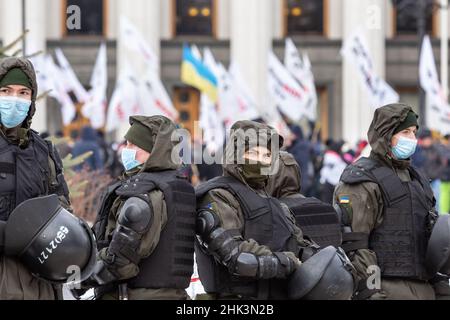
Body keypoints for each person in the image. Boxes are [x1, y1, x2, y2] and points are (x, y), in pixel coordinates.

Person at [195, 120, 354, 300]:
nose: (260, 161)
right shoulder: (219, 195)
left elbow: (299, 244)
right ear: (237, 154)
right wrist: (284, 261)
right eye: (253, 153)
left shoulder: (273, 203)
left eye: (266, 156)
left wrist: (327, 260)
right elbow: (237, 257)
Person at [334, 103, 442, 300]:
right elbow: (356, 245)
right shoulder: (362, 180)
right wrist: (371, 292)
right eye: (405, 132)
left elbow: (432, 240)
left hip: (424, 289)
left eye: (414, 132)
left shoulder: (417, 179)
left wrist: (440, 285)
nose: (412, 139)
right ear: (386, 135)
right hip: (387, 289)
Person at [87, 115, 196, 300]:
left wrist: (81, 278)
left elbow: (120, 261)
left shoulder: (144, 194)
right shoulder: (179, 186)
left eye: (132, 145)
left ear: (154, 151)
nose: (125, 150)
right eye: (126, 143)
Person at [0, 56, 73, 299]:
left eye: (23, 92)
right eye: (5, 90)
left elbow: (62, 209)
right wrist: (11, 234)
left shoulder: (45, 151)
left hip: (39, 280)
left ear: (31, 99)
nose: (14, 99)